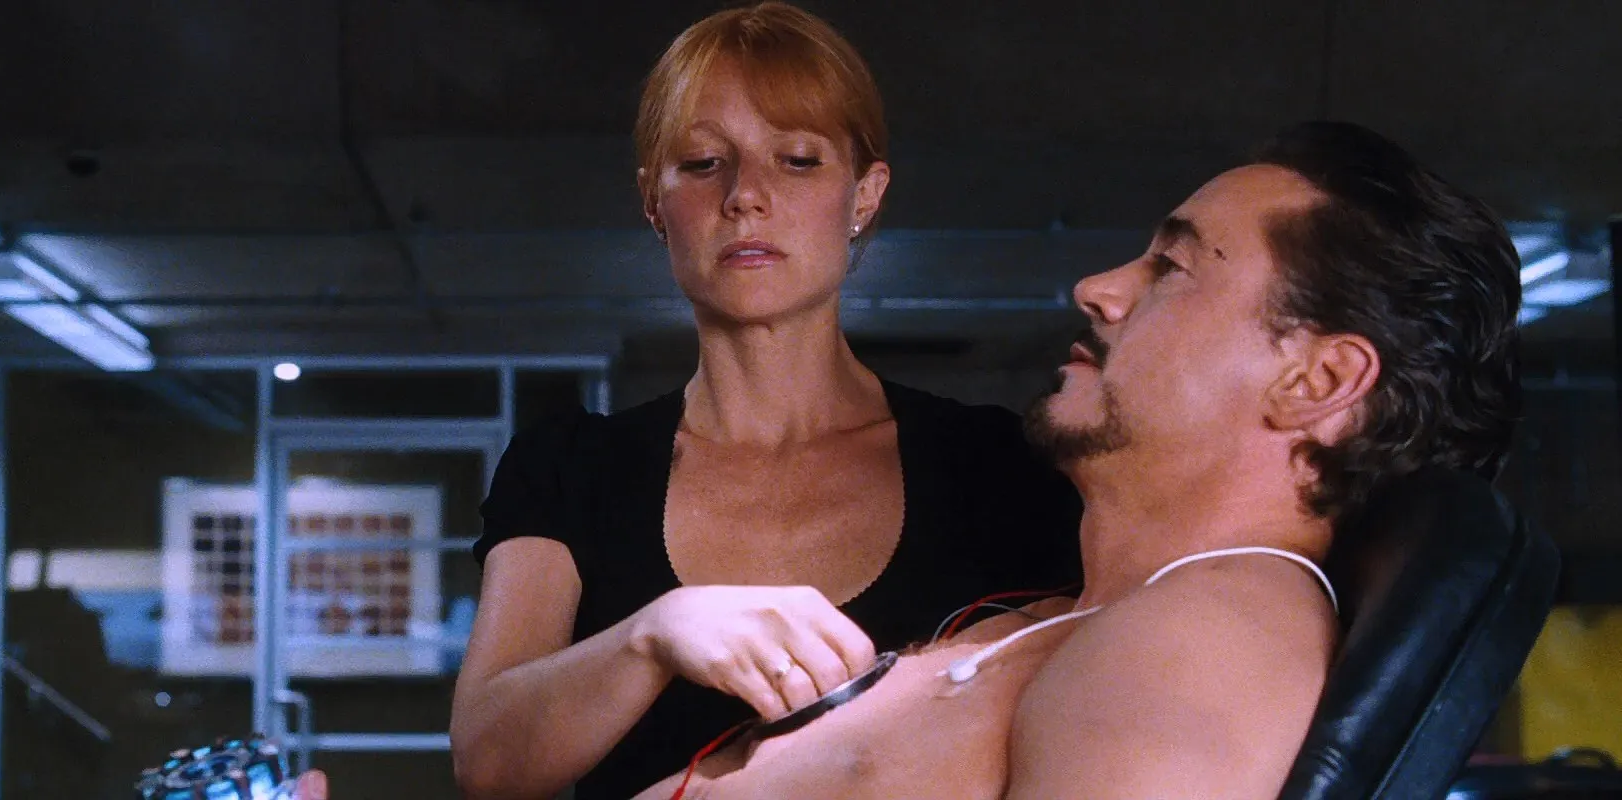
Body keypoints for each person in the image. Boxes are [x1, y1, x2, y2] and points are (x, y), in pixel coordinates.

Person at [296, 3, 1083, 799]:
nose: (746, 195)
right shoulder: (571, 467)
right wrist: (651, 636)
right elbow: (489, 762)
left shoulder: (997, 467)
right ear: (653, 201)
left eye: (798, 160)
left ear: (865, 195)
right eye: (704, 163)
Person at [621, 121, 1523, 799]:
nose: (1098, 288)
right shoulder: (1089, 618)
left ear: (1316, 380)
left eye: (1171, 267)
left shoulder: (1198, 647)